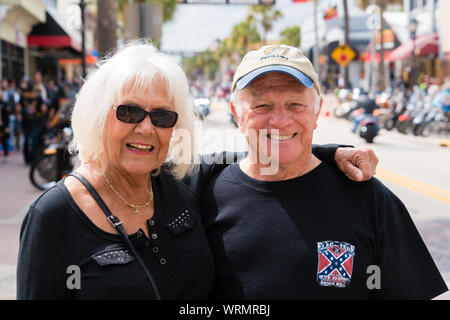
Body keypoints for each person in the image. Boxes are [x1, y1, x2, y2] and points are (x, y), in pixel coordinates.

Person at [17, 42, 378, 300]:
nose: (145, 128)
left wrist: (328, 154)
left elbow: (263, 151)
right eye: (128, 112)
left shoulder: (183, 182)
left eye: (161, 116)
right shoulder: (54, 214)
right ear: (96, 115)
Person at [202, 44, 448, 300]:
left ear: (317, 109)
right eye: (262, 105)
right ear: (237, 114)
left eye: (295, 104)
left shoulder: (369, 199)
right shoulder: (203, 195)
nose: (280, 120)